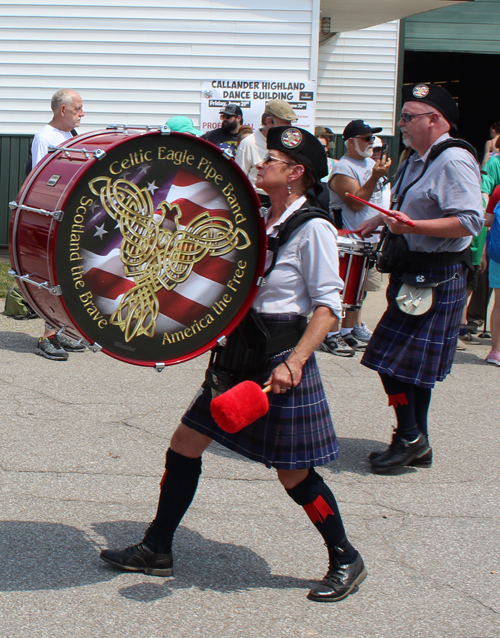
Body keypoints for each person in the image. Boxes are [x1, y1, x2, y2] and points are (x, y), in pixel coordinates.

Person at [100, 126, 367, 603]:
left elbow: (328, 306)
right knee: (185, 443)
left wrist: (297, 363)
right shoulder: (264, 219)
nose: (261, 163)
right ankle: (157, 547)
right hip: (238, 355)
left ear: (296, 172)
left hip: (279, 362)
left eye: (271, 159)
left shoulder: (315, 229)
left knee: (294, 474)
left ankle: (345, 556)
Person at [357, 83, 483, 473]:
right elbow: (409, 205)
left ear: (435, 119)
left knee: (387, 360)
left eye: (409, 117)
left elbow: (468, 222)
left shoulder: (453, 159)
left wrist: (413, 225)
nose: (402, 124)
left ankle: (410, 437)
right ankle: (414, 440)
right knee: (414, 370)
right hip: (415, 270)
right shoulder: (416, 157)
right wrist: (382, 217)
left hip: (436, 274)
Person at [322, 120, 392, 356]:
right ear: (351, 142)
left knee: (358, 290)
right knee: (339, 289)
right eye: (366, 138)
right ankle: (329, 334)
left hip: (367, 240)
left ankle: (347, 329)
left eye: (373, 138)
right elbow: (355, 201)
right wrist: (375, 176)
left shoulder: (371, 164)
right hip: (347, 239)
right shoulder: (344, 168)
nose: (371, 143)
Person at [31, 89, 87, 361]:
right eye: (78, 109)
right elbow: (43, 179)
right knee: (52, 277)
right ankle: (46, 336)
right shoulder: (46, 137)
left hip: (70, 215)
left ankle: (58, 329)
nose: (82, 114)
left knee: (67, 276)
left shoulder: (71, 136)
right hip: (53, 216)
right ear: (62, 110)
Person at [235, 100, 297, 205]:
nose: (289, 127)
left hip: (284, 200)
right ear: (269, 122)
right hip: (257, 201)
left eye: (290, 122)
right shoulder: (249, 143)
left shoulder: (288, 144)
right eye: (286, 122)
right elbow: (238, 180)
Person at [484, 184, 500, 366]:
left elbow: (488, 221)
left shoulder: (498, 189)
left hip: (498, 254)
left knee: (498, 305)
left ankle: (495, 351)